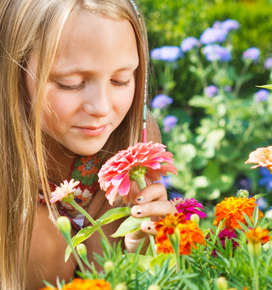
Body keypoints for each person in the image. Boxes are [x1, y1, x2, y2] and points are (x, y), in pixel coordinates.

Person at [0, 1, 177, 289]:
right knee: (37, 239)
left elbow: (106, 272)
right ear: (13, 71)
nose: (102, 107)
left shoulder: (134, 134)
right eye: (71, 83)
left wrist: (133, 250)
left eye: (120, 80)